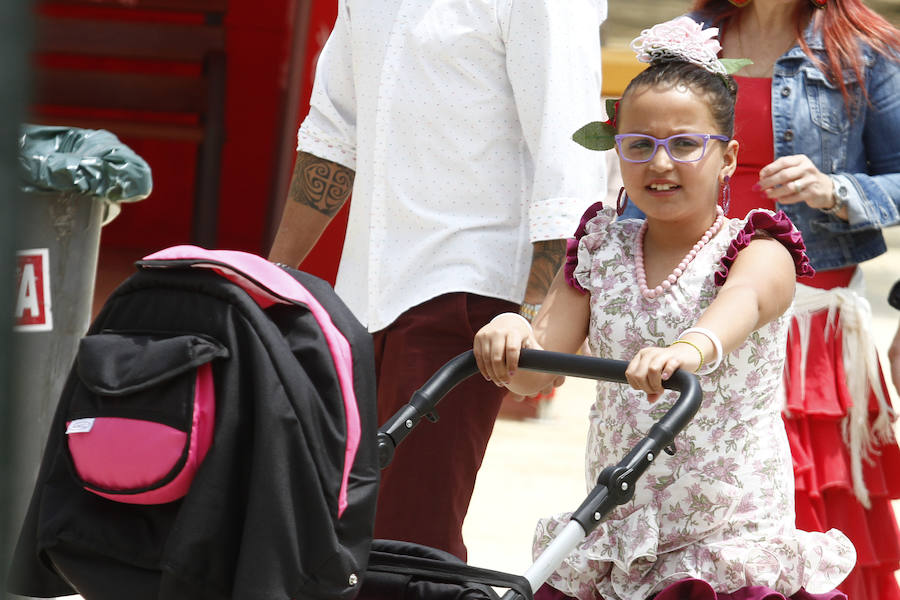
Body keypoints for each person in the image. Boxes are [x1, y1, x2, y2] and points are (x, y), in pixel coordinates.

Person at [474, 18, 855, 599]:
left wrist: (686, 349)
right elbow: (534, 372)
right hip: (619, 529)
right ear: (616, 149)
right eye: (640, 145)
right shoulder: (601, 248)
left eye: (684, 144)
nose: (659, 163)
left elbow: (743, 303)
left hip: (726, 540)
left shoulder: (759, 248)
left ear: (727, 158)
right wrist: (512, 330)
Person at [267, 1, 608, 561]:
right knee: (336, 535)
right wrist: (272, 278)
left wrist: (531, 318)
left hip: (470, 298)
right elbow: (333, 133)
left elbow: (566, 159)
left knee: (408, 541)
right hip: (358, 301)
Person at [616, 2, 900, 597]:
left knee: (805, 519)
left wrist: (833, 189)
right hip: (689, 311)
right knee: (688, 518)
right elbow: (643, 155)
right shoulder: (688, 38)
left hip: (809, 323)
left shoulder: (865, 46)